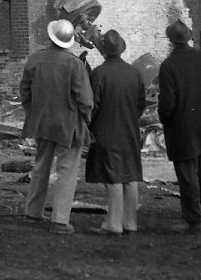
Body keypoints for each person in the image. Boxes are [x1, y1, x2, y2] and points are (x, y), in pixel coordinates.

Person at [20, 19, 94, 232]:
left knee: (41, 166)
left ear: (51, 37)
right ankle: (60, 220)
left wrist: (34, 112)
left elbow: (25, 92)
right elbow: (85, 100)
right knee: (66, 171)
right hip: (68, 125)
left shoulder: (35, 59)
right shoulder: (75, 64)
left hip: (42, 122)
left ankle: (33, 212)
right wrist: (86, 119)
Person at [157, 18, 201, 234]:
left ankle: (195, 222)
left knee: (187, 176)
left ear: (170, 40)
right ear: (189, 37)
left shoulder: (169, 66)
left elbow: (167, 103)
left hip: (182, 128)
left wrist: (166, 119)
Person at [84, 28, 146, 234]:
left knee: (113, 177)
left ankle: (113, 224)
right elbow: (141, 104)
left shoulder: (99, 73)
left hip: (106, 131)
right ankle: (130, 222)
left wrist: (90, 127)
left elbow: (92, 106)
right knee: (130, 175)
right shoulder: (134, 73)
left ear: (104, 50)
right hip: (130, 131)